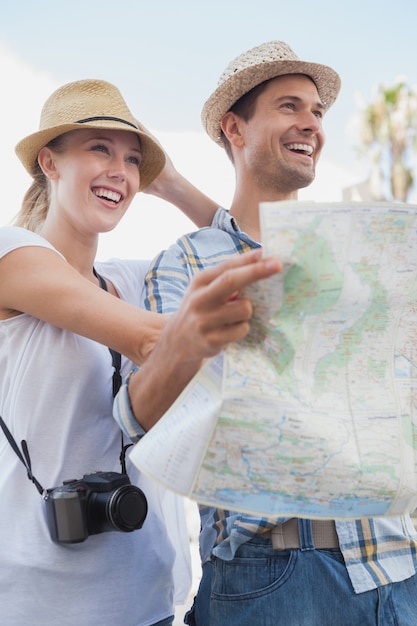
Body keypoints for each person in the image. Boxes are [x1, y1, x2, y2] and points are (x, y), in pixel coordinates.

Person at [115, 41, 417, 625]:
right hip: (275, 579)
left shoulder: (365, 259)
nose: (310, 123)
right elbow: (141, 420)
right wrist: (189, 342)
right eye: (288, 106)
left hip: (398, 566)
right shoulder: (186, 264)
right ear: (235, 127)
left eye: (317, 112)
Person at [0, 78, 281, 626]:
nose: (119, 172)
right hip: (35, 604)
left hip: (144, 599)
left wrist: (169, 181)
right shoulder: (12, 255)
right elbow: (155, 340)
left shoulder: (131, 280)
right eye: (99, 149)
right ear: (49, 163)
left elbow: (249, 252)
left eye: (132, 160)